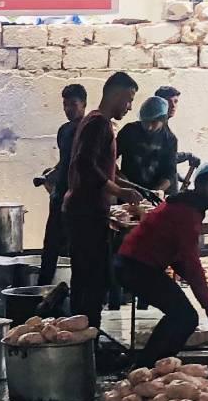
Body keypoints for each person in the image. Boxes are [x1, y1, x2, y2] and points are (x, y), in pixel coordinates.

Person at [115, 164, 208, 366]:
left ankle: (149, 366)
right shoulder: (186, 212)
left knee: (181, 315)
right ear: (200, 186)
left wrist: (206, 302)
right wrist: (207, 304)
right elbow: (191, 262)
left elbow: (181, 259)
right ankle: (148, 368)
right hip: (136, 266)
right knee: (185, 317)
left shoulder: (186, 205)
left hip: (135, 265)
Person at [63, 72, 143, 329]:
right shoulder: (98, 123)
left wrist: (130, 187)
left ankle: (83, 335)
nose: (130, 107)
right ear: (116, 94)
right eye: (129, 100)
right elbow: (86, 165)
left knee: (86, 279)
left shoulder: (94, 122)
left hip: (85, 211)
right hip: (86, 213)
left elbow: (103, 167)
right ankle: (88, 338)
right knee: (91, 281)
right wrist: (119, 193)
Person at [38, 83, 87, 286]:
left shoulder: (89, 129)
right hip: (60, 196)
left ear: (84, 104)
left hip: (79, 199)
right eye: (65, 105)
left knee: (78, 250)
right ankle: (41, 292)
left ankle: (77, 295)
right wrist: (52, 173)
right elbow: (65, 161)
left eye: (73, 104)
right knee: (50, 246)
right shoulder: (64, 130)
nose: (68, 109)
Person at [116, 96, 174, 195]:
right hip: (126, 190)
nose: (149, 127)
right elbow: (109, 157)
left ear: (163, 119)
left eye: (154, 122)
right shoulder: (129, 131)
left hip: (152, 193)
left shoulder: (170, 140)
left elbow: (169, 174)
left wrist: (156, 191)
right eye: (145, 121)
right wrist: (121, 179)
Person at [153, 86, 200, 193]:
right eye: (169, 102)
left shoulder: (167, 131)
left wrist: (177, 176)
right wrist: (188, 156)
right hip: (156, 190)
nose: (173, 106)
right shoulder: (154, 129)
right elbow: (159, 157)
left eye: (176, 102)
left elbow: (166, 162)